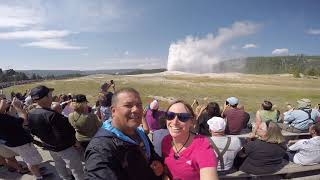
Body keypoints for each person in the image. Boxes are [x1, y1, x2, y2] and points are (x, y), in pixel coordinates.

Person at [85, 88, 164, 180]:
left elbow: (152, 154)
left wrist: (157, 162)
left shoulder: (139, 133)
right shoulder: (101, 148)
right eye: (128, 105)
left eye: (139, 105)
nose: (136, 109)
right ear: (113, 111)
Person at [27, 85, 84, 180]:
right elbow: (65, 133)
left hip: (49, 146)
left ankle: (65, 178)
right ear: (45, 97)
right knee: (76, 169)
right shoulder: (52, 115)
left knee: (59, 164)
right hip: (64, 148)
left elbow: (33, 131)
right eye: (50, 94)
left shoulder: (31, 113)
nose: (51, 96)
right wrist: (75, 142)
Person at [162, 100, 218, 180]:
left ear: (191, 121)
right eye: (170, 115)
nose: (174, 122)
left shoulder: (202, 147)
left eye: (183, 117)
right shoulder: (165, 141)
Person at [0, 97, 44, 179]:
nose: (6, 102)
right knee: (31, 161)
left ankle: (36, 171)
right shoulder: (2, 118)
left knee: (30, 160)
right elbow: (24, 119)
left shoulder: (3, 117)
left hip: (12, 142)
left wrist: (9, 109)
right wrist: (18, 107)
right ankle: (38, 177)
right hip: (20, 142)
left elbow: (9, 118)